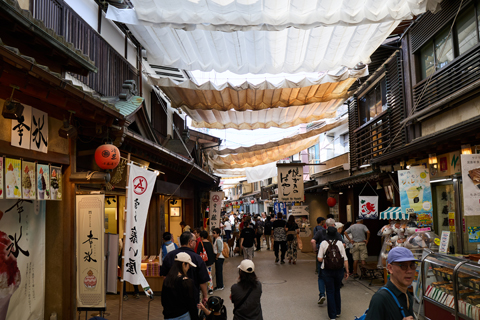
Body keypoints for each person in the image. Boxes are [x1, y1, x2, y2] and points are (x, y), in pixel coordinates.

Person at [364, 247, 418, 320]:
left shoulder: (406, 294)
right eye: (403, 266)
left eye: (412, 265)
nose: (409, 271)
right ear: (390, 268)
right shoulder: (380, 299)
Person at [161, 232, 210, 308]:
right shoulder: (197, 258)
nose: (195, 243)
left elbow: (164, 277)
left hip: (172, 298)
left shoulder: (169, 256)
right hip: (191, 298)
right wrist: (205, 296)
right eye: (195, 241)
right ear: (190, 242)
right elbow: (202, 280)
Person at [317, 225, 349, 320]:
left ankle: (332, 315)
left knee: (330, 291)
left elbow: (319, 259)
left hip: (327, 270)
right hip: (339, 270)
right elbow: (345, 259)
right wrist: (346, 271)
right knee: (337, 290)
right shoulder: (340, 243)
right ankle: (338, 311)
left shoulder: (323, 243)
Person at [311, 218, 343, 304]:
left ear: (326, 225)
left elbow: (313, 241)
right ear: (333, 225)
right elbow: (342, 244)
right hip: (335, 260)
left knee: (321, 276)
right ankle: (333, 295)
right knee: (333, 277)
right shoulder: (336, 234)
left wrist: (316, 250)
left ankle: (322, 294)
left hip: (322, 258)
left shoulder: (320, 232)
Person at [161, 252, 198, 320]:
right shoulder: (187, 282)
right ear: (184, 264)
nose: (188, 268)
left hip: (169, 316)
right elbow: (192, 304)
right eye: (188, 265)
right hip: (183, 316)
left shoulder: (167, 280)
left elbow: (163, 301)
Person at [197, 231, 216, 295]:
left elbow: (198, 253)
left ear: (201, 237)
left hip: (202, 262)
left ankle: (202, 288)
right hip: (209, 262)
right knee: (209, 275)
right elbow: (211, 253)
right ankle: (210, 289)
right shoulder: (209, 243)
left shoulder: (201, 243)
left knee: (201, 275)